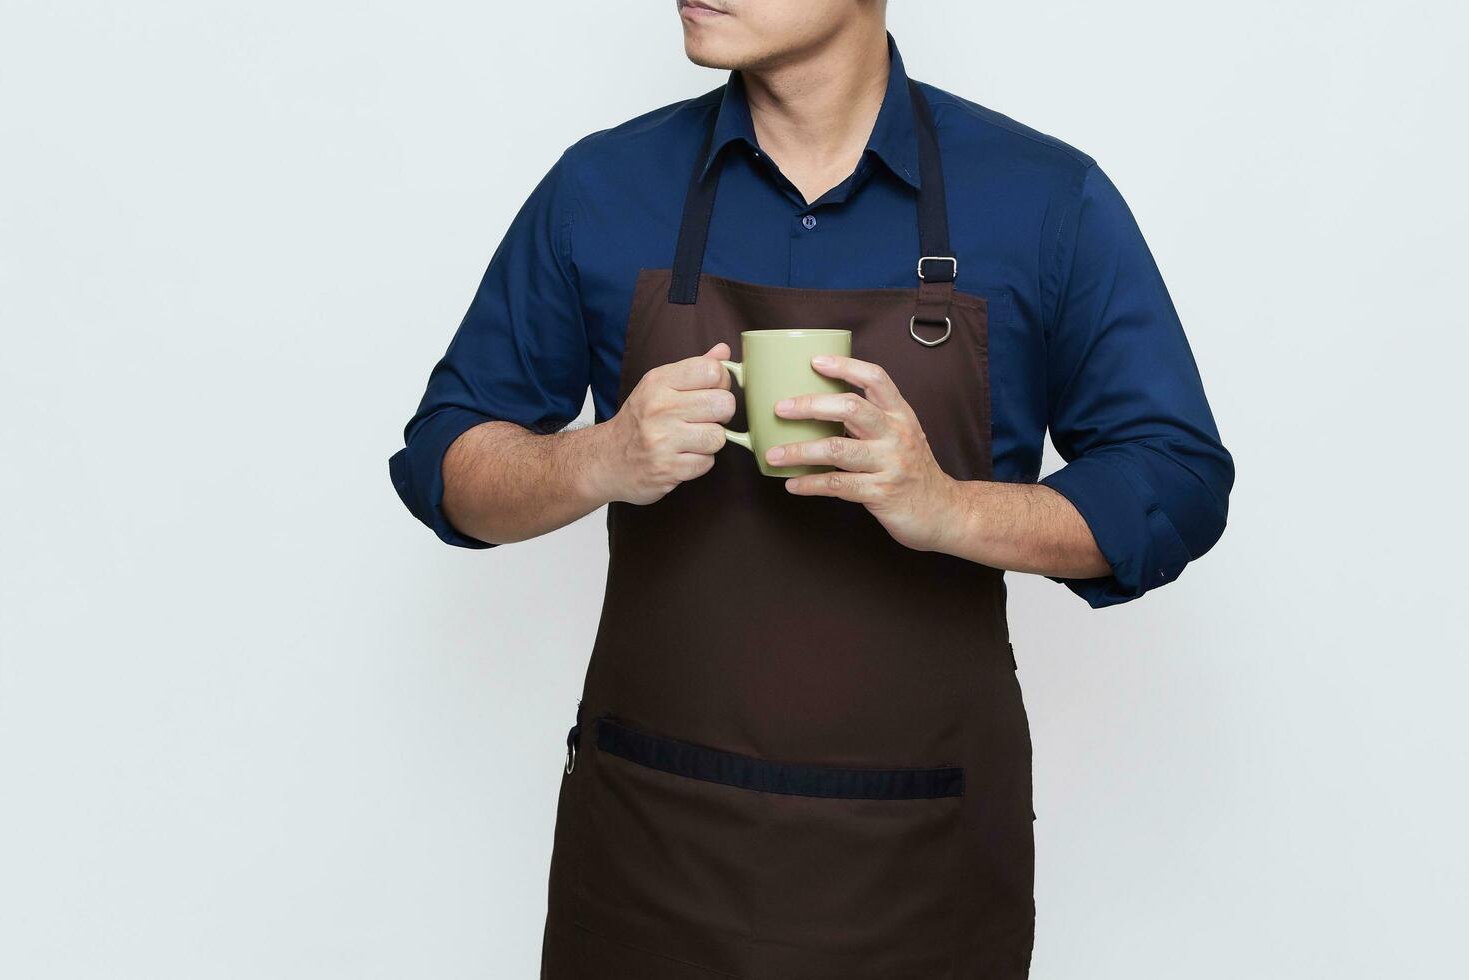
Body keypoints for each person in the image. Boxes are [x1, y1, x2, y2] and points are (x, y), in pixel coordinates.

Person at [388, 2, 1233, 976]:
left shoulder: (1041, 201)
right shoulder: (603, 188)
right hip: (651, 862)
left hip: (920, 875)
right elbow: (443, 465)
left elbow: (1174, 479)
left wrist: (950, 506)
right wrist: (596, 458)